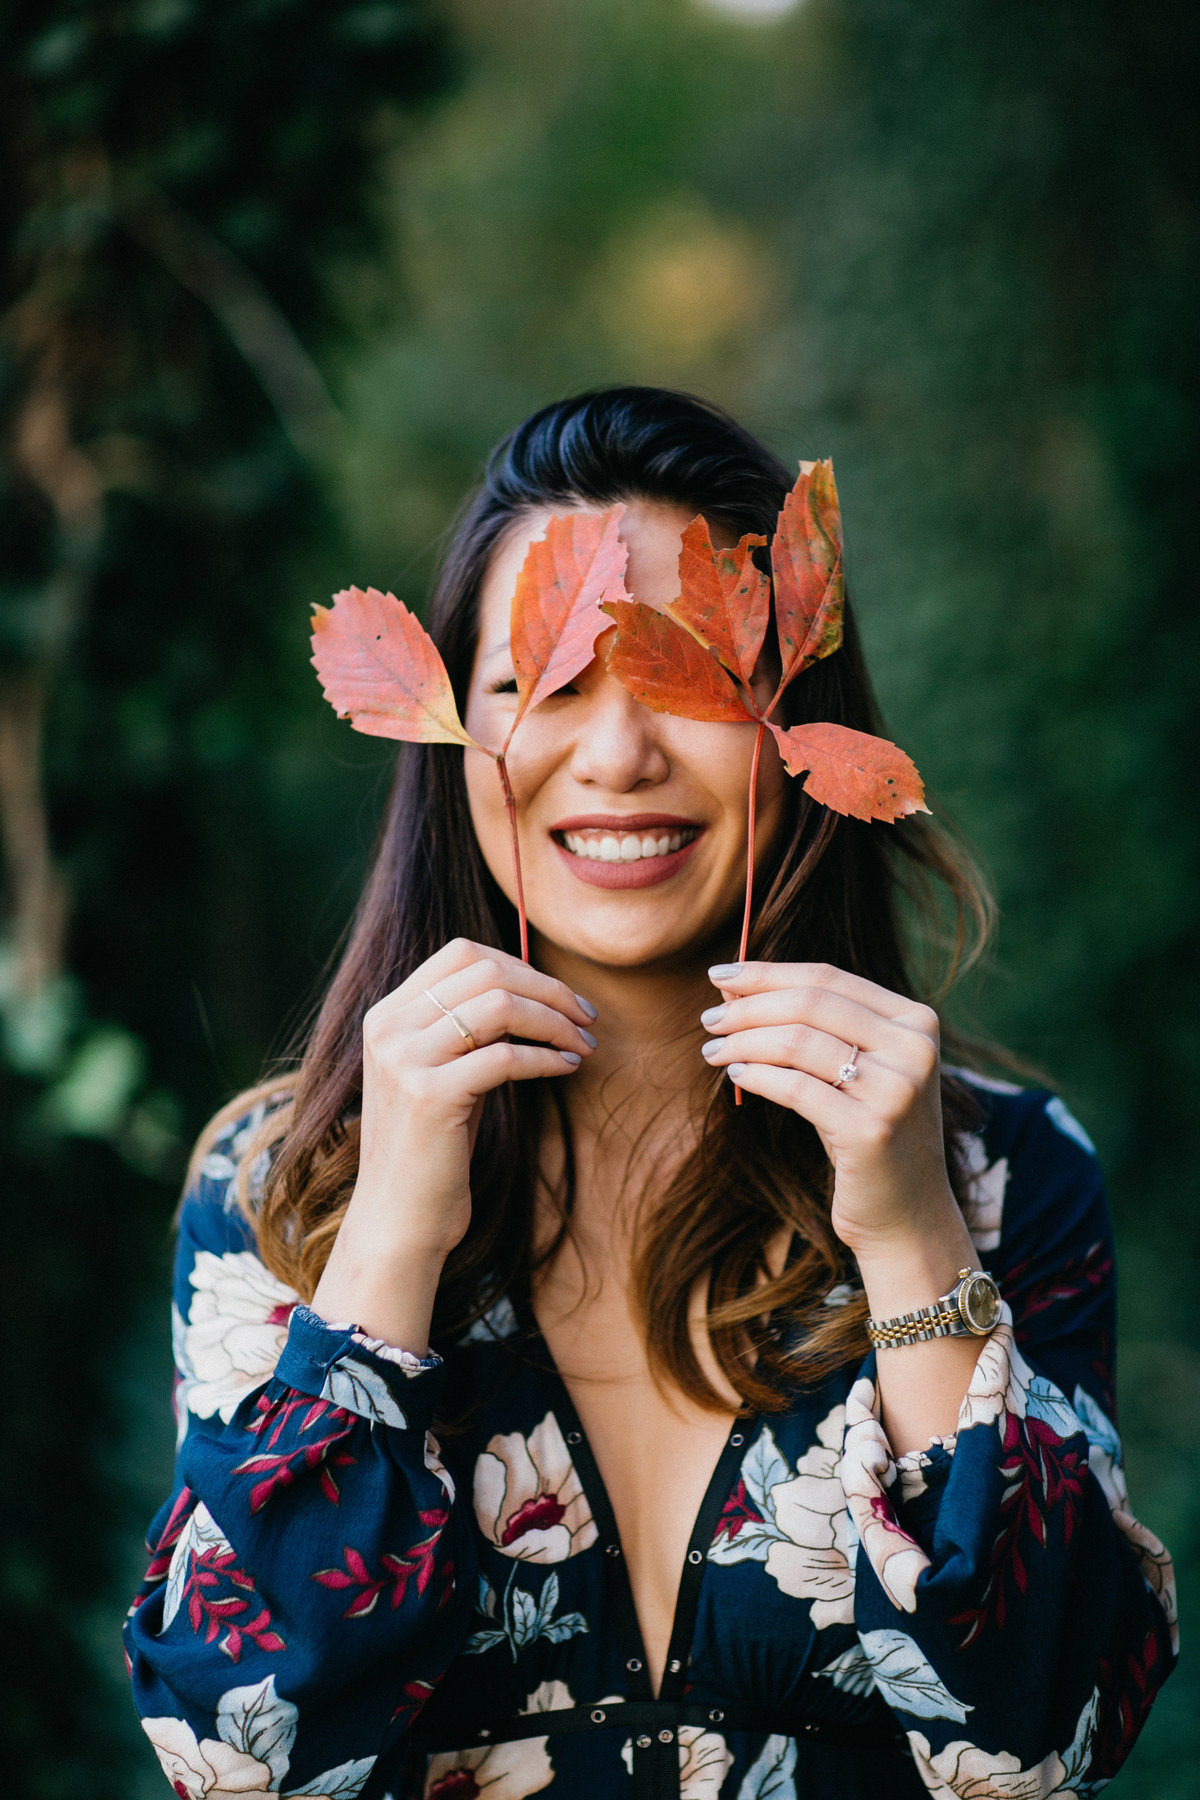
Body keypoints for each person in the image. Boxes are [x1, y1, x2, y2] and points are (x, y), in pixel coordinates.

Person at [125, 388, 1176, 1800]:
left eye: (688, 677)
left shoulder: (1000, 1172)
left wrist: (916, 1240)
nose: (616, 755)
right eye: (545, 684)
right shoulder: (277, 1186)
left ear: (799, 715)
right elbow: (236, 1759)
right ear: (447, 729)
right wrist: (389, 1248)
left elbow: (1051, 1738)